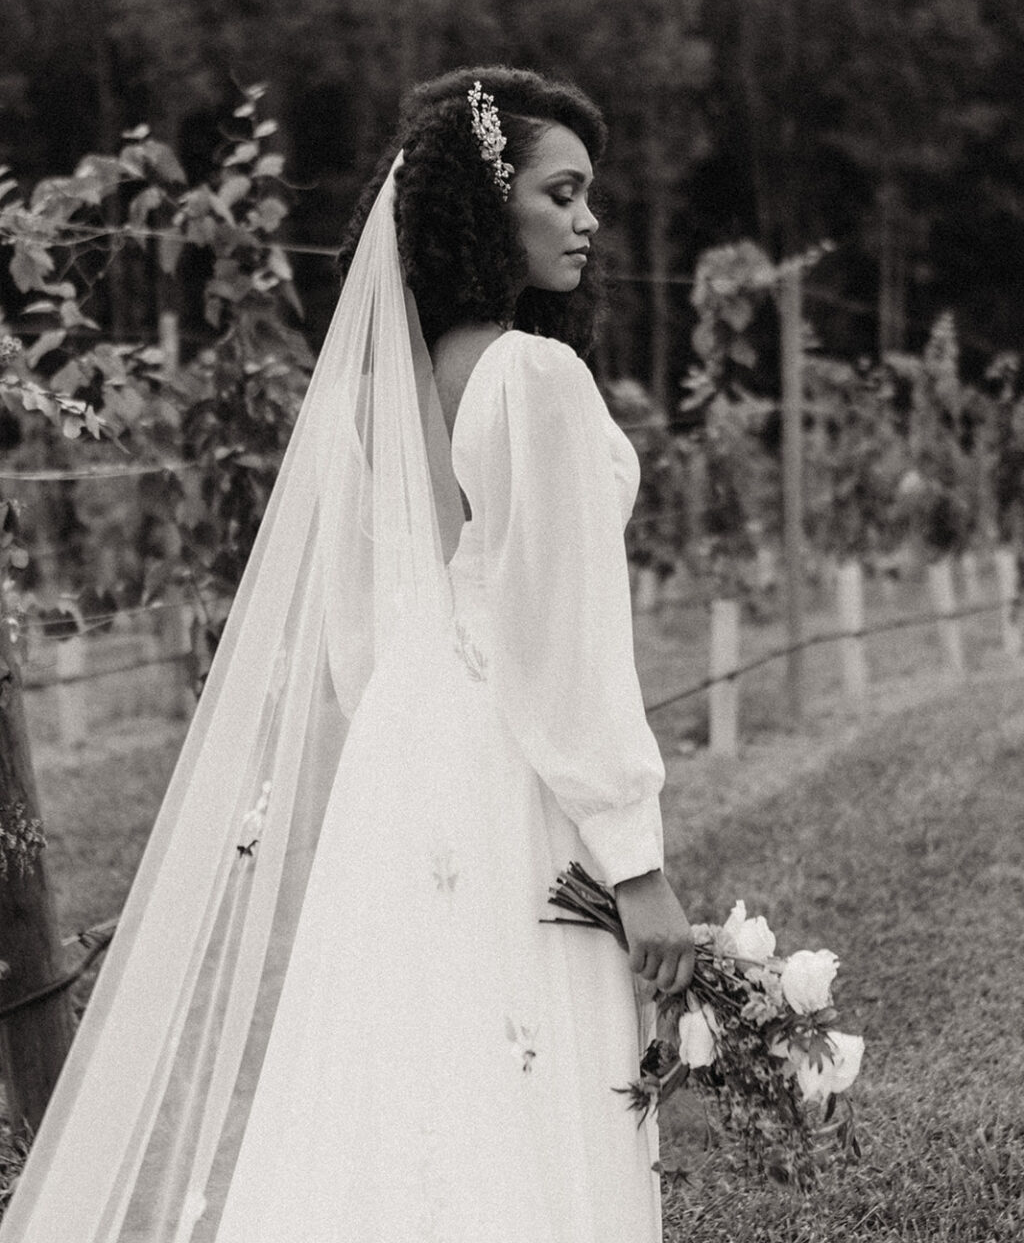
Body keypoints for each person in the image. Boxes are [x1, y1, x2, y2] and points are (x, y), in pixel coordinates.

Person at [0, 67, 694, 1243]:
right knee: (521, 1077)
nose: (588, 222)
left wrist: (408, 743)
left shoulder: (391, 390)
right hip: (510, 771)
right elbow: (563, 642)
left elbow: (363, 632)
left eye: (593, 198)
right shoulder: (531, 376)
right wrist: (637, 866)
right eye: (562, 193)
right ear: (489, 204)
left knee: (405, 1080)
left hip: (402, 763)